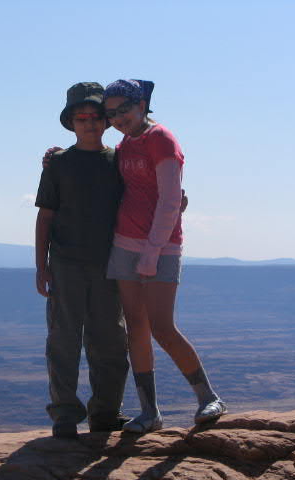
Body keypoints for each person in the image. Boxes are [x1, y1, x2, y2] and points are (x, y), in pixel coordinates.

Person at [102, 79, 226, 433]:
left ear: (142, 105)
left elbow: (171, 201)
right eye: (111, 113)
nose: (118, 117)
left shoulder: (162, 140)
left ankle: (208, 397)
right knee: (136, 329)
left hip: (161, 247)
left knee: (161, 327)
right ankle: (149, 413)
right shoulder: (126, 144)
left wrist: (151, 253)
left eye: (123, 109)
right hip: (124, 244)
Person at [35, 82, 130, 439]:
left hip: (111, 265)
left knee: (110, 342)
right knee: (63, 341)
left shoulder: (119, 161)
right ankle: (64, 417)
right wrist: (41, 267)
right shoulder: (58, 163)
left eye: (95, 117)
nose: (89, 124)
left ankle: (105, 414)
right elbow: (45, 216)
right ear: (71, 123)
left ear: (106, 121)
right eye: (81, 118)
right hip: (66, 264)